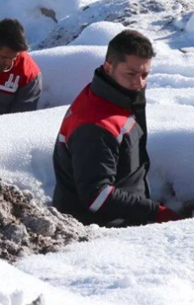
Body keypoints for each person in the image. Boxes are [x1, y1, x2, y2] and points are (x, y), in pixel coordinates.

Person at [52, 29, 179, 227]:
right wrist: (153, 212)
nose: (139, 83)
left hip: (123, 218)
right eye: (131, 74)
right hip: (101, 230)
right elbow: (96, 196)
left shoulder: (113, 95)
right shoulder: (96, 125)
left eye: (145, 74)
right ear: (108, 67)